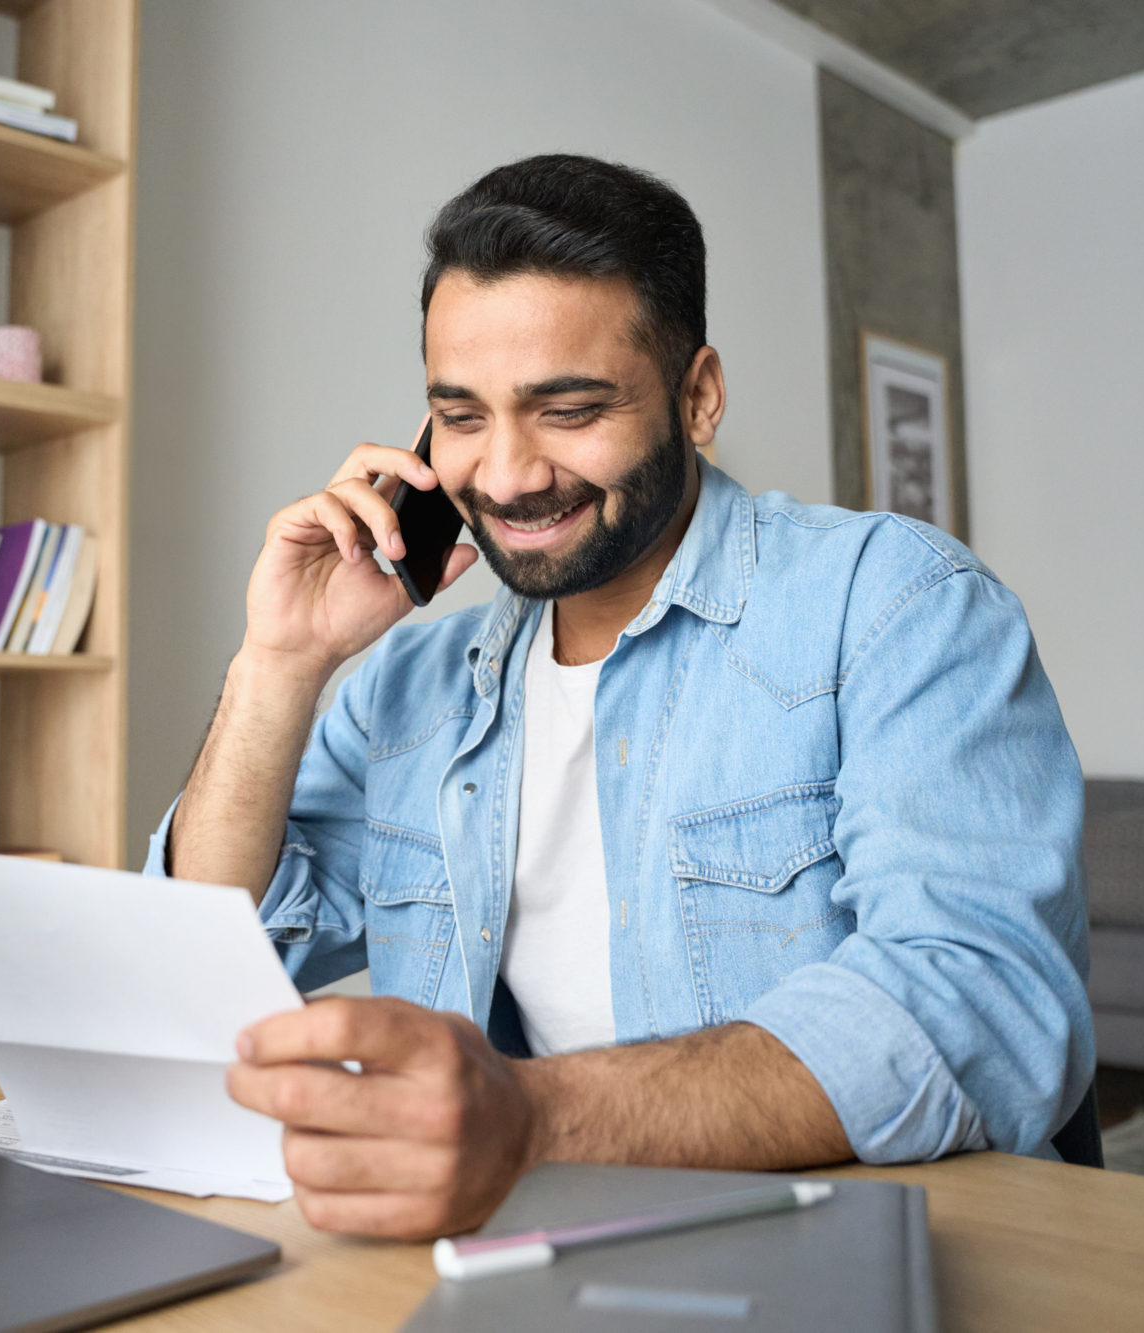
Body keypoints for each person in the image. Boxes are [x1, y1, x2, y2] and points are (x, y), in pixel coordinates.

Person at [146, 154, 1092, 1241]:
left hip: (824, 1239)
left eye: (567, 408)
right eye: (460, 417)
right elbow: (205, 968)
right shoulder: (409, 686)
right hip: (506, 1246)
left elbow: (980, 1006)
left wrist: (532, 1117)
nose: (504, 475)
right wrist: (280, 663)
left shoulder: (895, 606)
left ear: (697, 397)